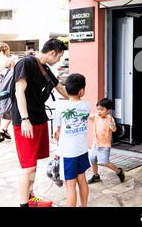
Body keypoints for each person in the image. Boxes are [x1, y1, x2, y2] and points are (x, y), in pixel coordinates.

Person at [11, 38, 69, 207]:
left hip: (39, 119)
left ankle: (31, 197)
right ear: (52, 53)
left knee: (33, 163)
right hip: (26, 122)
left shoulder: (44, 68)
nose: (59, 60)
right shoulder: (26, 63)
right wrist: (24, 119)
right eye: (59, 56)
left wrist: (78, 101)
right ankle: (24, 203)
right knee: (28, 165)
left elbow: (60, 88)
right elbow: (18, 91)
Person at [54, 73, 90, 207]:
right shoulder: (87, 105)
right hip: (82, 150)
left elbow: (57, 132)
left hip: (68, 153)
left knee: (70, 185)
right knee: (82, 180)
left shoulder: (60, 107)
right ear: (82, 91)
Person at [87, 98, 125, 184]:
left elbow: (114, 129)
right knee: (92, 159)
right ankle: (96, 176)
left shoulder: (109, 118)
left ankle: (119, 171)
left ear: (108, 110)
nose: (99, 111)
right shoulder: (96, 116)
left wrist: (111, 124)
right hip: (95, 143)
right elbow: (88, 116)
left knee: (104, 162)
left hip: (104, 145)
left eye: (102, 109)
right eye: (98, 109)